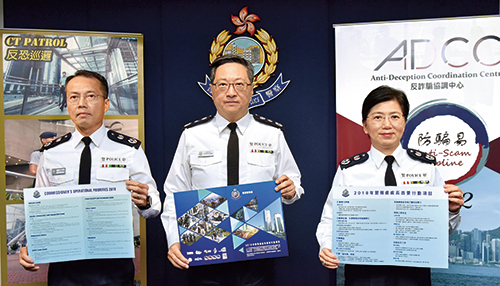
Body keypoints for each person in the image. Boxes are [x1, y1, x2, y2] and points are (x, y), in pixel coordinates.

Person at [162, 55, 304, 285]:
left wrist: (291, 189)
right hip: (206, 249)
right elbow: (174, 192)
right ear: (211, 89)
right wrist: (173, 239)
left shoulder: (272, 134)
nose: (231, 92)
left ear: (251, 89)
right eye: (223, 85)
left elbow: (293, 180)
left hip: (258, 252)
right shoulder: (192, 135)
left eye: (239, 84)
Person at [19, 70, 161, 285]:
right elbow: (39, 208)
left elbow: (154, 207)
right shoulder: (51, 153)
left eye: (91, 96)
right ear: (67, 103)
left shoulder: (129, 149)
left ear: (106, 104)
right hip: (64, 268)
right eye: (73, 97)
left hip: (114, 268)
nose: (81, 103)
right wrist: (31, 244)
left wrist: (145, 201)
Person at [316, 85, 465, 286]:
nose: (387, 124)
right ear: (365, 125)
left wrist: (452, 211)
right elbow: (330, 219)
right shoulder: (349, 170)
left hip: (414, 274)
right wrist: (326, 246)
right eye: (378, 117)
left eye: (394, 117)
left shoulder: (427, 167)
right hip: (363, 274)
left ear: (404, 122)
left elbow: (440, 229)